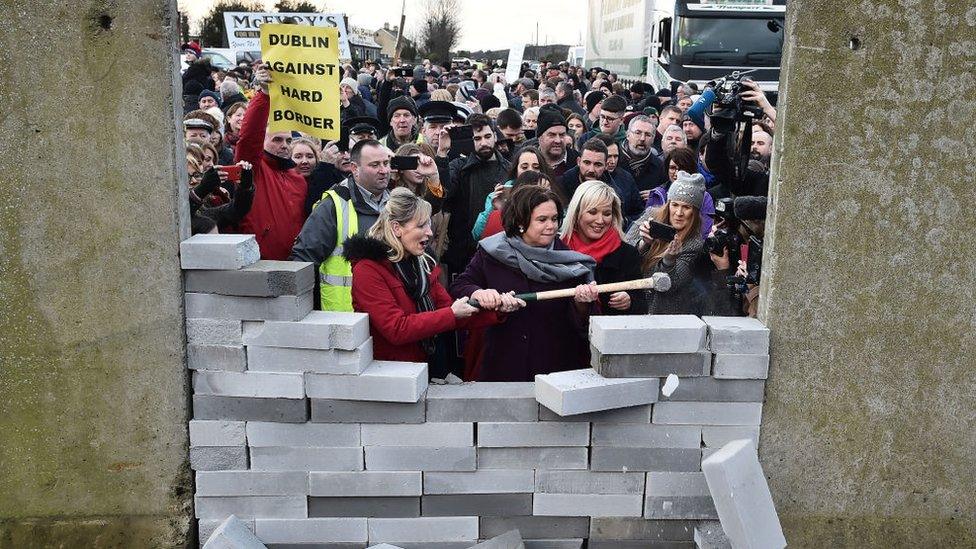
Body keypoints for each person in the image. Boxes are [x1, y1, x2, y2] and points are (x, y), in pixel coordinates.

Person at [450, 185, 599, 382]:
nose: (551, 226)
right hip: (503, 363)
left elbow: (586, 323)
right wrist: (479, 293)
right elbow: (461, 284)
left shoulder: (570, 262)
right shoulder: (492, 252)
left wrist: (582, 304)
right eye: (542, 220)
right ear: (520, 221)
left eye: (555, 219)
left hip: (556, 368)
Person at [343, 188, 496, 377]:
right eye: (421, 226)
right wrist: (451, 314)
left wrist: (497, 308)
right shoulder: (368, 269)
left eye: (429, 225)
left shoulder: (421, 263)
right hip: (390, 377)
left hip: (425, 368)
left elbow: (449, 310)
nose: (430, 232)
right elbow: (396, 328)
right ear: (396, 228)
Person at [290, 139, 392, 311]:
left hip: (388, 313)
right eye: (374, 165)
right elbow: (303, 260)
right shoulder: (333, 205)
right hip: (345, 315)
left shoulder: (394, 202)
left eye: (386, 163)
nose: (383, 171)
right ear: (354, 168)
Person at [230, 63, 307, 260]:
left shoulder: (298, 179)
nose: (285, 145)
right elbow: (248, 137)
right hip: (258, 263)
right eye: (277, 139)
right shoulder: (253, 170)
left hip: (294, 264)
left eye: (289, 141)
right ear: (263, 141)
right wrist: (264, 95)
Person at [438, 113, 511, 276]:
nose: (484, 143)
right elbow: (443, 194)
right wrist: (443, 152)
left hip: (502, 253)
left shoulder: (509, 168)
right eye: (477, 139)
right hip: (464, 256)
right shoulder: (459, 166)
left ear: (494, 135)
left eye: (487, 136)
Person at [562, 180, 646, 314]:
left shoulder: (627, 254)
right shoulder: (558, 250)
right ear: (577, 213)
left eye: (607, 214)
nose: (600, 220)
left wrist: (630, 301)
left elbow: (642, 302)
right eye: (592, 212)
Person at [635, 171, 708, 314]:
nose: (679, 213)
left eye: (686, 207)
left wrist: (668, 261)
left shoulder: (694, 244)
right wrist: (643, 244)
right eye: (675, 205)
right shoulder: (651, 216)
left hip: (661, 311)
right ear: (668, 204)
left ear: (694, 212)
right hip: (634, 302)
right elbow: (624, 253)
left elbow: (671, 284)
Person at [619, 115, 667, 198]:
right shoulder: (614, 159)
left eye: (648, 135)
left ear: (653, 139)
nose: (642, 138)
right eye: (638, 133)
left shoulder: (660, 167)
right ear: (628, 135)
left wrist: (658, 194)